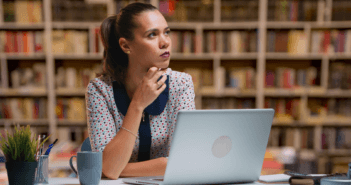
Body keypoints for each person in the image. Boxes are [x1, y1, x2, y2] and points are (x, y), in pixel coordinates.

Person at [85, 2, 196, 180]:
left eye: (166, 32)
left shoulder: (181, 84)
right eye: (152, 34)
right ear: (126, 46)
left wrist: (116, 168)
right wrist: (137, 104)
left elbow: (184, 162)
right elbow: (108, 168)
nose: (165, 42)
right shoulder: (100, 90)